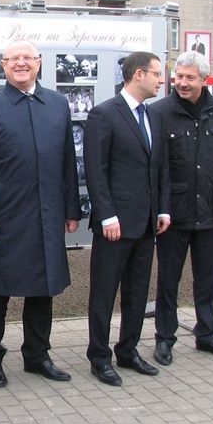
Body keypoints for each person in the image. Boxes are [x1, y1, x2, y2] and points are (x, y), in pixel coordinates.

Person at [0, 40, 81, 388]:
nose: (21, 63)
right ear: (3, 65)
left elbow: (67, 162)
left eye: (27, 58)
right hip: (5, 218)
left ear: (39, 63)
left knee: (42, 289)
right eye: (13, 59)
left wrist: (71, 208)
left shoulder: (58, 104)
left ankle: (37, 354)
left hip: (48, 214)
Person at [83, 51, 170, 386]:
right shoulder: (104, 114)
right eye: (156, 73)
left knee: (137, 291)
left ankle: (128, 349)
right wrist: (107, 216)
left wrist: (162, 209)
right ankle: (99, 356)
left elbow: (158, 167)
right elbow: (96, 170)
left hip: (147, 223)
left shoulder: (153, 116)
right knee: (104, 293)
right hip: (114, 226)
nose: (161, 80)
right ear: (138, 74)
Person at [150, 50, 213, 367]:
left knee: (207, 278)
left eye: (190, 77)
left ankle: (207, 334)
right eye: (178, 77)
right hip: (173, 214)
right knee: (168, 281)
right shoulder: (160, 112)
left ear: (204, 79)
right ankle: (164, 338)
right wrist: (159, 210)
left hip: (211, 211)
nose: (182, 83)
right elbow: (154, 167)